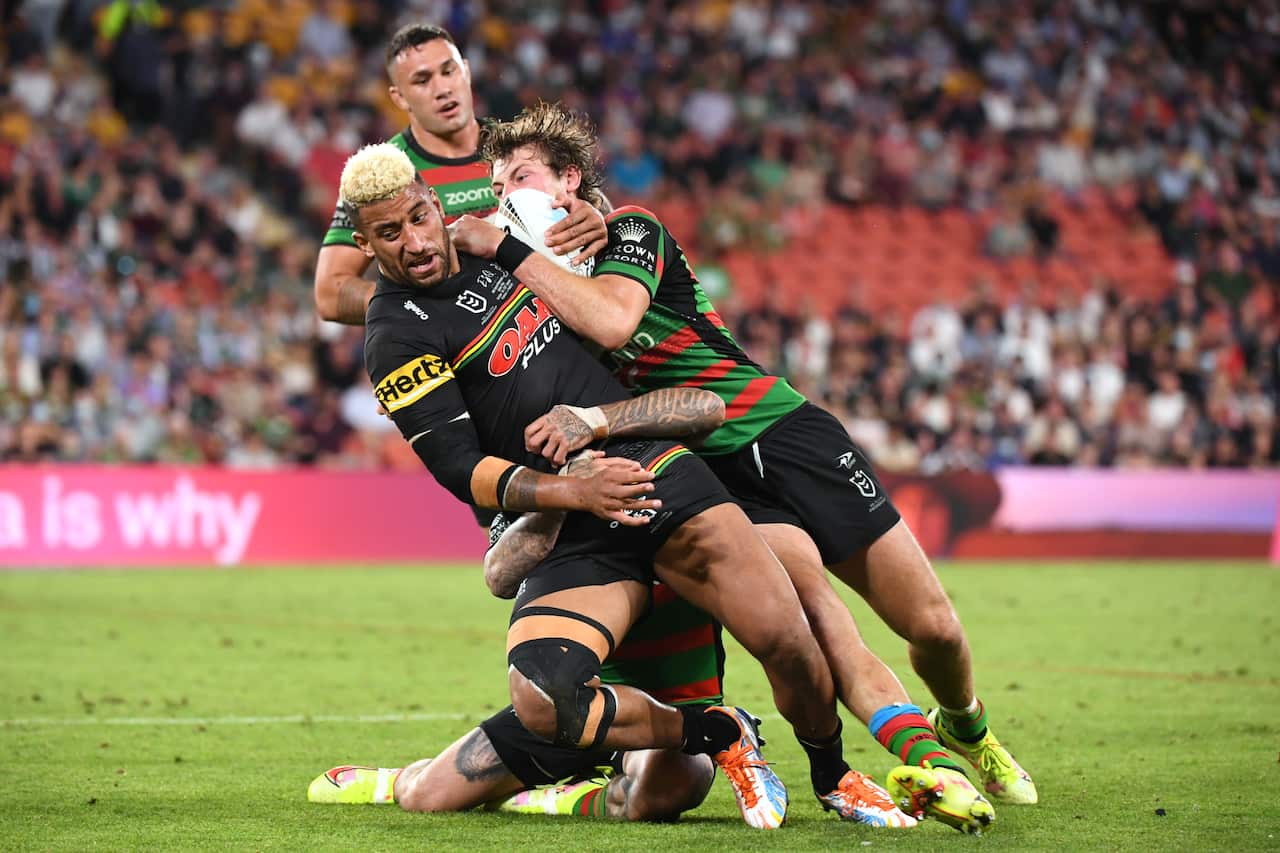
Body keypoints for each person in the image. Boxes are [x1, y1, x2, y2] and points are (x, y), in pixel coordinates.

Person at [451, 102, 1033, 830]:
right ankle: (919, 761)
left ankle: (967, 727)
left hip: (778, 432)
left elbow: (614, 321)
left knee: (934, 627)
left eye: (521, 177)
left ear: (569, 179)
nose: (505, 195)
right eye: (496, 186)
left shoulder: (630, 229)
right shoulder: (525, 286)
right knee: (816, 613)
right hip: (704, 468)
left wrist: (511, 246)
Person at [343, 141, 917, 830]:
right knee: (543, 697)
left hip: (649, 464)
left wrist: (594, 215)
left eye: (417, 219)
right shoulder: (393, 335)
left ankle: (833, 775)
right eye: (389, 233)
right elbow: (459, 469)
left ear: (435, 204)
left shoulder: (499, 238)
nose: (414, 243)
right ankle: (717, 731)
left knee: (787, 636)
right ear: (365, 243)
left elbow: (580, 220)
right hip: (568, 516)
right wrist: (571, 492)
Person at [309, 450, 724, 823]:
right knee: (426, 798)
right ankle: (406, 778)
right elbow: (498, 577)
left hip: (668, 712)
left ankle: (564, 798)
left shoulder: (688, 486)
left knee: (668, 791)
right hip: (570, 702)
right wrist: (568, 494)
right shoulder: (540, 478)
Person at [313, 24, 608, 325]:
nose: (442, 89)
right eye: (422, 80)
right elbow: (330, 293)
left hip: (561, 320)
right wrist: (424, 306)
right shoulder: (385, 176)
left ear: (466, 71)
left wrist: (595, 218)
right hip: (474, 343)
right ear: (399, 97)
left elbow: (595, 210)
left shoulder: (518, 147)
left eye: (448, 71)